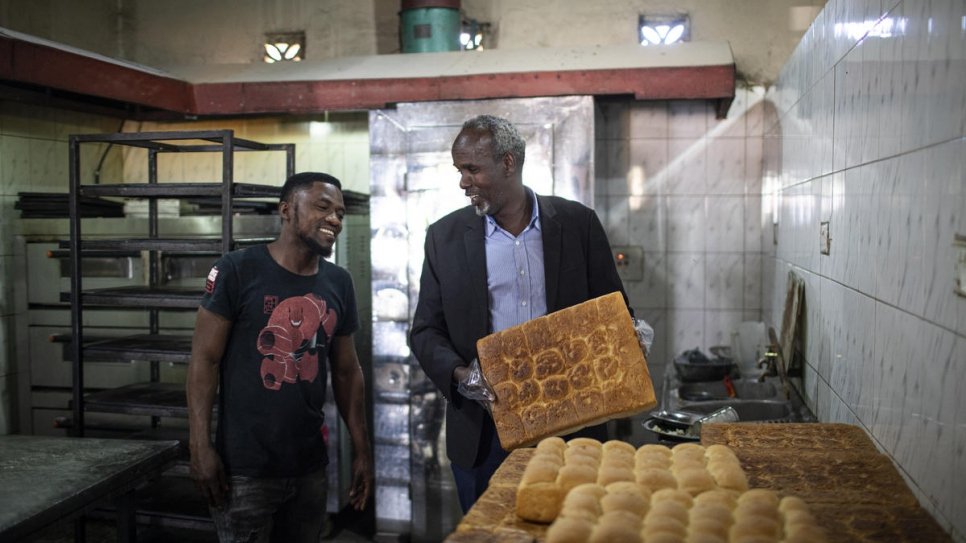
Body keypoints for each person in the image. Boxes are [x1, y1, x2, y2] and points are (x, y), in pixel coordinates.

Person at [409, 115, 633, 513]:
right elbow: (426, 331)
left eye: (472, 169)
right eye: (460, 170)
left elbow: (614, 312)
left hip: (572, 425)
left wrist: (631, 335)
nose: (463, 182)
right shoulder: (443, 238)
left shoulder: (577, 224)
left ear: (508, 163)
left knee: (572, 530)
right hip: (485, 430)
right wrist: (462, 376)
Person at [186, 172, 373, 542]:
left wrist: (362, 450)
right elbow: (203, 362)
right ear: (286, 210)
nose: (334, 218)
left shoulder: (338, 282)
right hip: (245, 471)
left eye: (339, 212)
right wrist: (199, 445)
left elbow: (348, 371)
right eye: (322, 207)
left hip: (309, 466)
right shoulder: (237, 270)